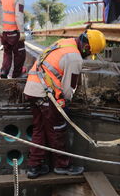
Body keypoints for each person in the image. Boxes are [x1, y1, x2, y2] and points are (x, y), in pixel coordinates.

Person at [23, 30, 107, 179]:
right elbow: (69, 89)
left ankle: (34, 167)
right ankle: (62, 165)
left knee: (40, 129)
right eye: (89, 53)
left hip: (32, 89)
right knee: (58, 129)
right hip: (46, 95)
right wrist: (65, 105)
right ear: (87, 47)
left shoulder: (64, 42)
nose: (87, 55)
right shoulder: (74, 58)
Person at [0, 0, 30, 79]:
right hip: (14, 31)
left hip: (3, 32)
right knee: (20, 54)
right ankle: (16, 77)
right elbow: (19, 15)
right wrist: (22, 32)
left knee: (7, 53)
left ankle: (4, 72)